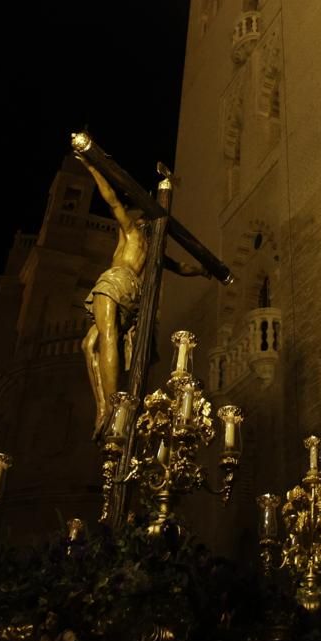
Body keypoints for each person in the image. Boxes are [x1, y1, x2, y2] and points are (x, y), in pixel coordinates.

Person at [79, 156, 205, 437]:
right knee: (89, 344)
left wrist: (91, 167)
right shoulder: (153, 249)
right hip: (133, 295)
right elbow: (182, 267)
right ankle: (104, 407)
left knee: (107, 336)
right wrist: (204, 271)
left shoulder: (131, 232)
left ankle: (113, 407)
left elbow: (112, 200)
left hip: (117, 282)